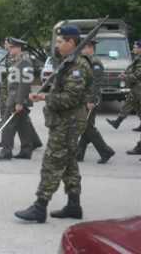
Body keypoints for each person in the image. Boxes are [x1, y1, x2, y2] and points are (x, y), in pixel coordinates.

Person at [15, 26, 92, 223]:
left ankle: (40, 207)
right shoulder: (68, 62)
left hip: (69, 121)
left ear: (71, 42)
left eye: (59, 42)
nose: (56, 45)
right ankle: (74, 206)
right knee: (69, 165)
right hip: (65, 120)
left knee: (52, 162)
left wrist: (44, 97)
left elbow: (71, 98)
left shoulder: (78, 66)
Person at [0, 37, 39, 160]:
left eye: (12, 47)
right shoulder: (17, 61)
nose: (10, 49)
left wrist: (19, 102)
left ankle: (6, 150)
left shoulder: (25, 62)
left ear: (19, 48)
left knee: (8, 125)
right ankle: (26, 150)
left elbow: (25, 84)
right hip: (14, 97)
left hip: (16, 98)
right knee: (23, 125)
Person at [77, 39, 115, 164]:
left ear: (90, 48)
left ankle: (106, 151)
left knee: (87, 127)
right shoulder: (87, 61)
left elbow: (96, 83)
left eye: (83, 48)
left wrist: (91, 100)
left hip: (91, 99)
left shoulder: (95, 62)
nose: (81, 50)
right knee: (85, 126)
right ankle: (79, 153)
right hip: (85, 98)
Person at [106, 40, 141, 137]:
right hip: (136, 87)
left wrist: (124, 76)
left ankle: (117, 122)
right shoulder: (137, 58)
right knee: (136, 105)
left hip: (138, 87)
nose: (133, 48)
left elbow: (138, 75)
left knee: (129, 103)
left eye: (135, 47)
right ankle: (117, 122)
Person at [0, 38, 11, 131]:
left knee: (6, 104)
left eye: (6, 43)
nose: (5, 45)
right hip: (5, 83)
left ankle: (5, 122)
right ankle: (3, 120)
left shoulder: (13, 55)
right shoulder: (8, 55)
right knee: (2, 103)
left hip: (10, 85)